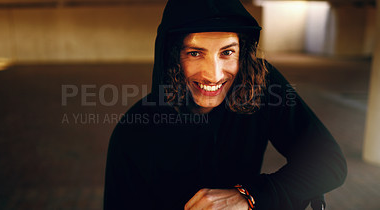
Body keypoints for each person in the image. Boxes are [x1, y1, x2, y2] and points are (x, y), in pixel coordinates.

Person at [104, 0, 347, 209]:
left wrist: (250, 196)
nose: (214, 75)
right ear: (171, 56)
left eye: (227, 52)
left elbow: (330, 162)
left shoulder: (261, 85)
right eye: (195, 53)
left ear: (243, 53)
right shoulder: (133, 135)